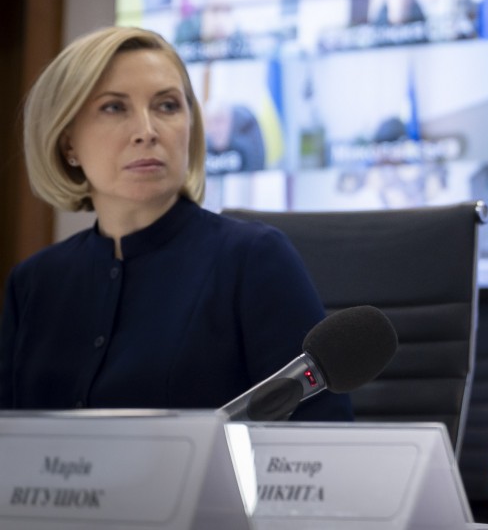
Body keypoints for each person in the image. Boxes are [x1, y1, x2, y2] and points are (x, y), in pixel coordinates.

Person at [0, 26, 352, 421]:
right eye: (114, 108)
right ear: (68, 143)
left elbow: (320, 438)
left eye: (167, 106)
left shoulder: (254, 259)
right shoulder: (34, 283)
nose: (147, 132)